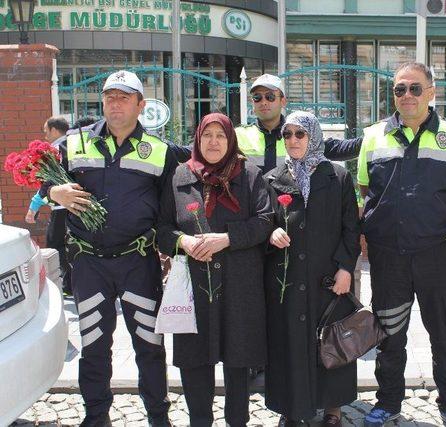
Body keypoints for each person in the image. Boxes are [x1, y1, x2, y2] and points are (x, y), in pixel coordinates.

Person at [40, 70, 190, 427]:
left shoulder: (159, 150)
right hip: (89, 263)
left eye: (124, 97)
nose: (115, 104)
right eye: (110, 96)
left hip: (138, 262)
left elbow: (173, 204)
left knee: (149, 346)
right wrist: (52, 193)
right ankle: (96, 417)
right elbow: (45, 176)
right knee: (93, 345)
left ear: (140, 105)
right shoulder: (73, 143)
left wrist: (172, 248)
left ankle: (158, 417)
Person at [356, 62, 446, 427]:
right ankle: (388, 401)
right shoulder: (373, 136)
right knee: (390, 335)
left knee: (444, 334)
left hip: (438, 255)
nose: (407, 95)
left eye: (415, 88)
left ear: (432, 92)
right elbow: (365, 192)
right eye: (399, 89)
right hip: (388, 257)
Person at [158, 112, 273, 426]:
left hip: (240, 284)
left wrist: (226, 239)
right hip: (195, 286)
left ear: (230, 140)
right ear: (197, 139)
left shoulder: (249, 175)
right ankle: (200, 421)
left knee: (238, 363)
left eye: (220, 135)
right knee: (195, 361)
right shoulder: (181, 176)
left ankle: (237, 420)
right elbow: (163, 229)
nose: (213, 142)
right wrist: (184, 241)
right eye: (207, 135)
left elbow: (264, 222)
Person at [263, 111, 361, 427]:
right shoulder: (272, 178)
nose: (292, 140)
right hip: (287, 280)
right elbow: (263, 222)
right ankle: (292, 408)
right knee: (290, 342)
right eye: (287, 135)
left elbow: (351, 227)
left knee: (331, 342)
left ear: (313, 136)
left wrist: (347, 268)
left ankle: (333, 407)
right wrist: (270, 234)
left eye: (299, 134)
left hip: (329, 279)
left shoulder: (338, 177)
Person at [235, 73, 362, 172]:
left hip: (290, 204)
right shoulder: (238, 136)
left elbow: (338, 149)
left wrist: (370, 137)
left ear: (283, 101)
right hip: (254, 205)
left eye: (270, 97)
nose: (263, 102)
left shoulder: (300, 133)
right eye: (257, 97)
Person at [25, 116, 71, 294]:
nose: (45, 136)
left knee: (55, 245)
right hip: (76, 204)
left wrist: (33, 207)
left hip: (61, 207)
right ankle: (71, 284)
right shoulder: (75, 147)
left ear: (54, 130)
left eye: (46, 131)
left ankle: (66, 285)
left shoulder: (55, 150)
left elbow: (47, 184)